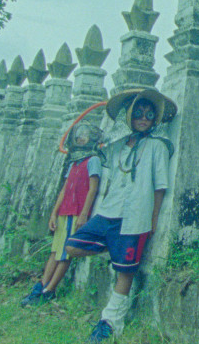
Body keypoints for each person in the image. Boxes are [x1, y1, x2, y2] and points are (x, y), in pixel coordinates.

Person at [64, 88, 176, 343]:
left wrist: (153, 218)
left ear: (155, 119)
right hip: (108, 212)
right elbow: (108, 179)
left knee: (126, 272)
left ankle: (110, 322)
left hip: (136, 216)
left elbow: (160, 186)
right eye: (138, 113)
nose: (143, 118)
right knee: (72, 246)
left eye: (149, 114)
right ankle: (112, 249)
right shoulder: (116, 148)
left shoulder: (158, 146)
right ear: (129, 116)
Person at [20, 122, 103, 306]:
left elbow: (93, 189)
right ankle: (41, 286)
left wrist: (83, 215)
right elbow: (64, 189)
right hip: (64, 212)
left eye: (86, 135)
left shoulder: (93, 160)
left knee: (66, 254)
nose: (81, 138)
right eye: (79, 135)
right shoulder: (74, 162)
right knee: (55, 251)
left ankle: (50, 291)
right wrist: (53, 213)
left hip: (76, 213)